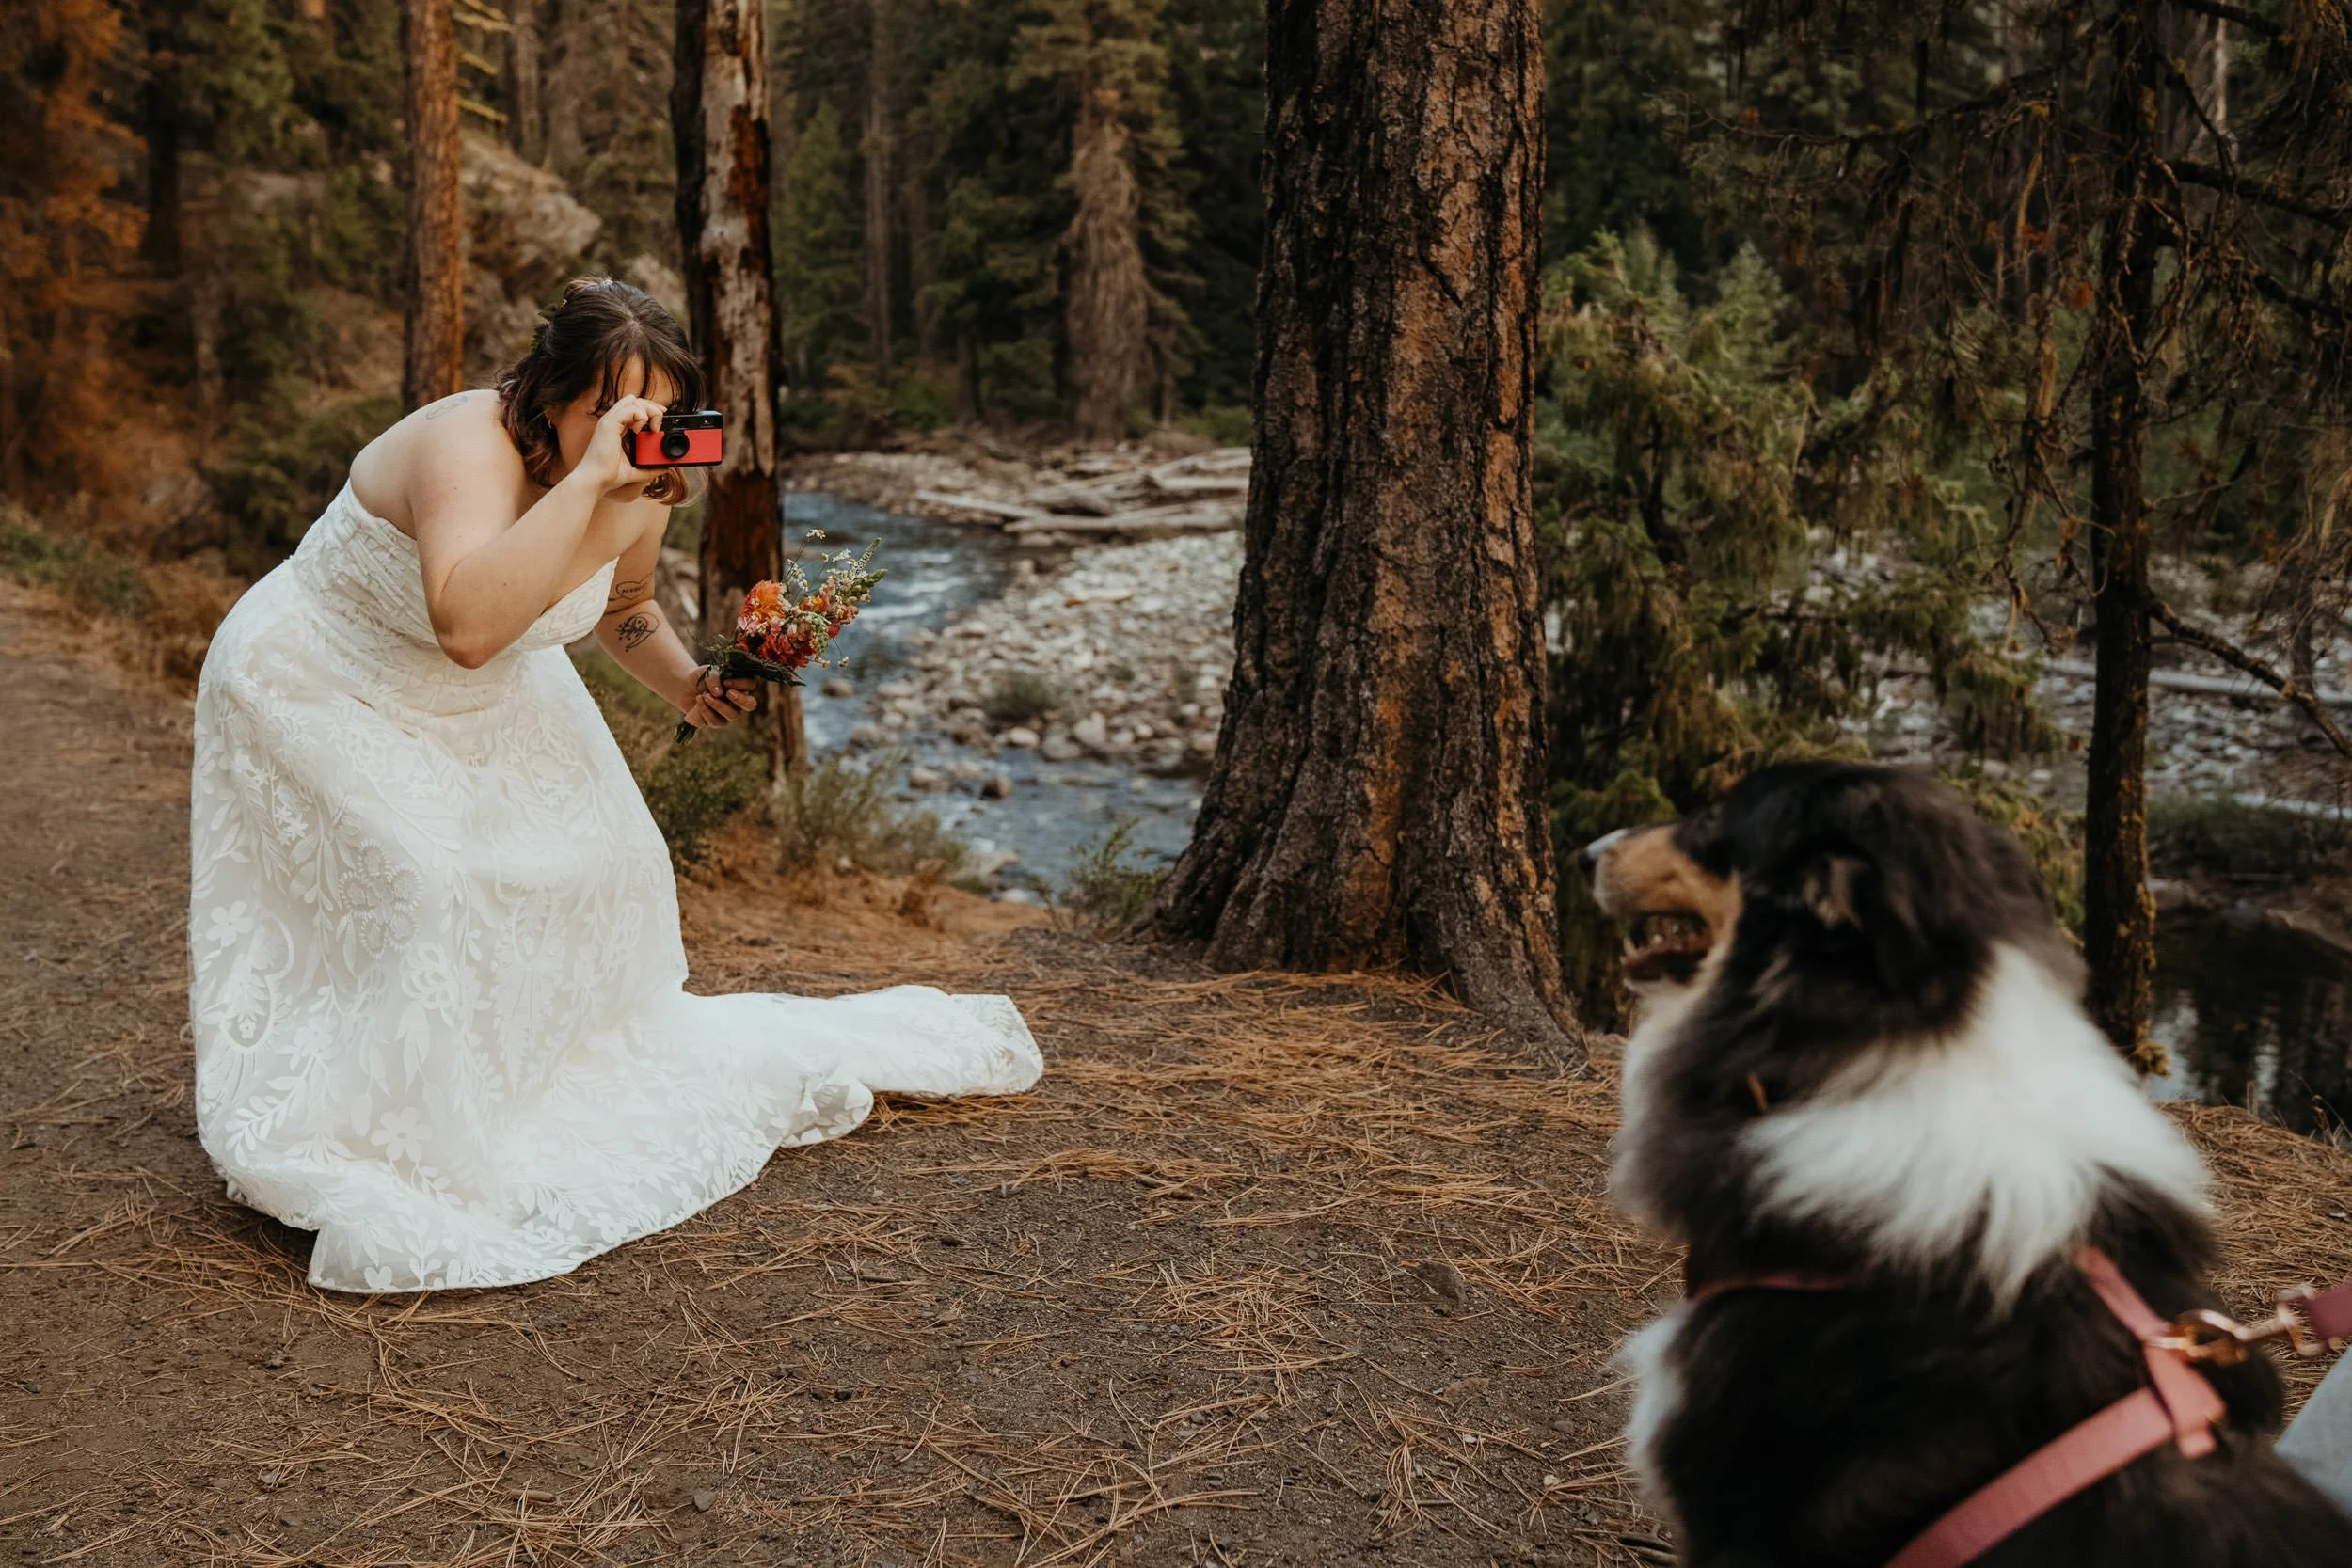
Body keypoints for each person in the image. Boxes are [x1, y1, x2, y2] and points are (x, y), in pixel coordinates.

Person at [188, 277, 1041, 1293]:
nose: (637, 428)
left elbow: (622, 602)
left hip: (482, 690)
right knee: (430, 887)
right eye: (610, 406)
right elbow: (467, 625)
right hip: (324, 676)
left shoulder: (643, 480)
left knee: (616, 858)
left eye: (658, 409)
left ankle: (514, 1083)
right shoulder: (467, 446)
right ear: (548, 394)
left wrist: (688, 684)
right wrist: (593, 481)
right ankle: (377, 1118)